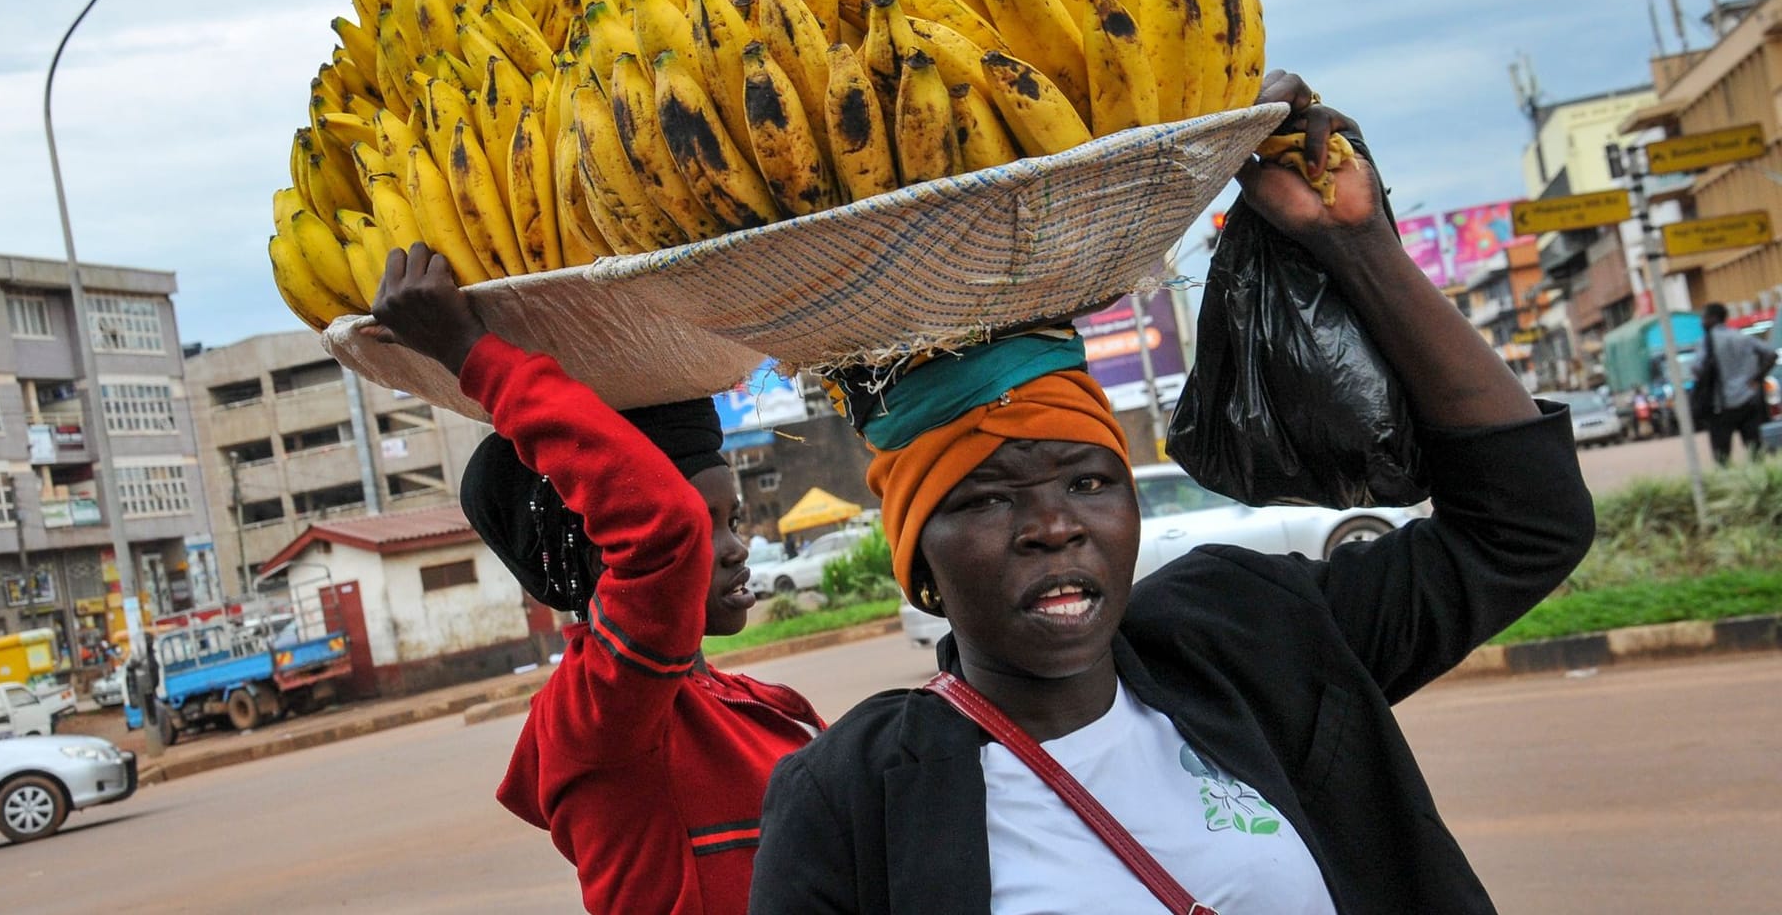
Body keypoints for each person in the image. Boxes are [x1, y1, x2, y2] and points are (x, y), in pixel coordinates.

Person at [749, 73, 1597, 914]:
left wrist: (1357, 244)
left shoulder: (1250, 637)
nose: (1053, 526)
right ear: (916, 554)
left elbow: (1524, 526)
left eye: (1088, 483)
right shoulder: (849, 801)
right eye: (987, 499)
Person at [369, 246, 824, 915]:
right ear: (600, 551)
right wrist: (470, 352)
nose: (732, 548)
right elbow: (664, 532)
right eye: (707, 526)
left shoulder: (768, 706)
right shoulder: (598, 718)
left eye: (733, 520)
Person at [1695, 302, 1776, 466]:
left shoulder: (1707, 341)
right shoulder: (1741, 336)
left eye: (1704, 318)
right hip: (1748, 400)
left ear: (1713, 318)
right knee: (1755, 452)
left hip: (1721, 406)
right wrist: (1756, 379)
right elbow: (1771, 355)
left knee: (1722, 457)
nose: (1702, 322)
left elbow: (1697, 368)